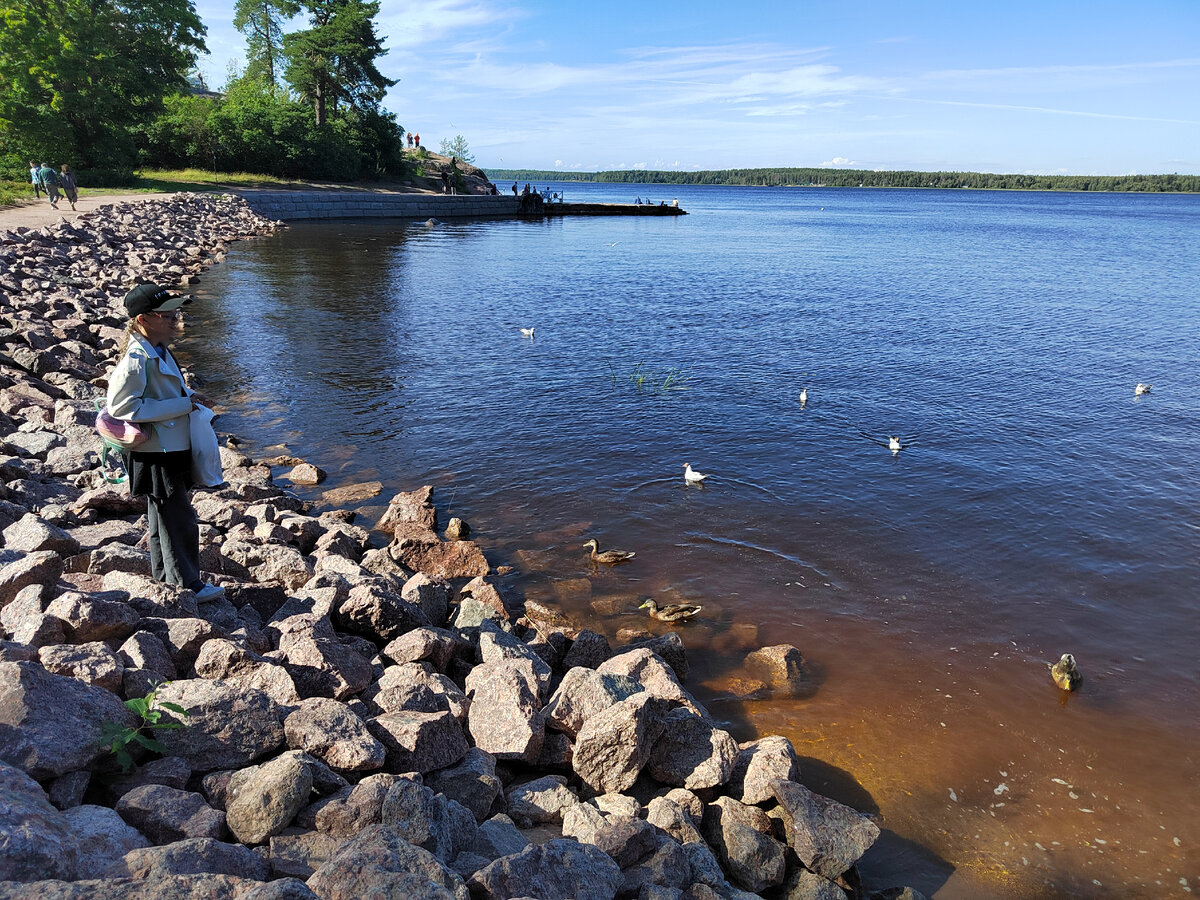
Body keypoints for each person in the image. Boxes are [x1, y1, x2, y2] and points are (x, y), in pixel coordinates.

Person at [106, 283, 224, 600]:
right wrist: (183, 405)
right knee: (180, 520)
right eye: (166, 313)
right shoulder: (136, 358)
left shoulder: (158, 348)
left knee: (164, 518)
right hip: (156, 452)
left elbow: (161, 392)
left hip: (166, 447)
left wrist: (189, 397)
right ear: (144, 319)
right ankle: (189, 586)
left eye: (175, 311)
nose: (175, 317)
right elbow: (120, 407)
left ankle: (169, 580)